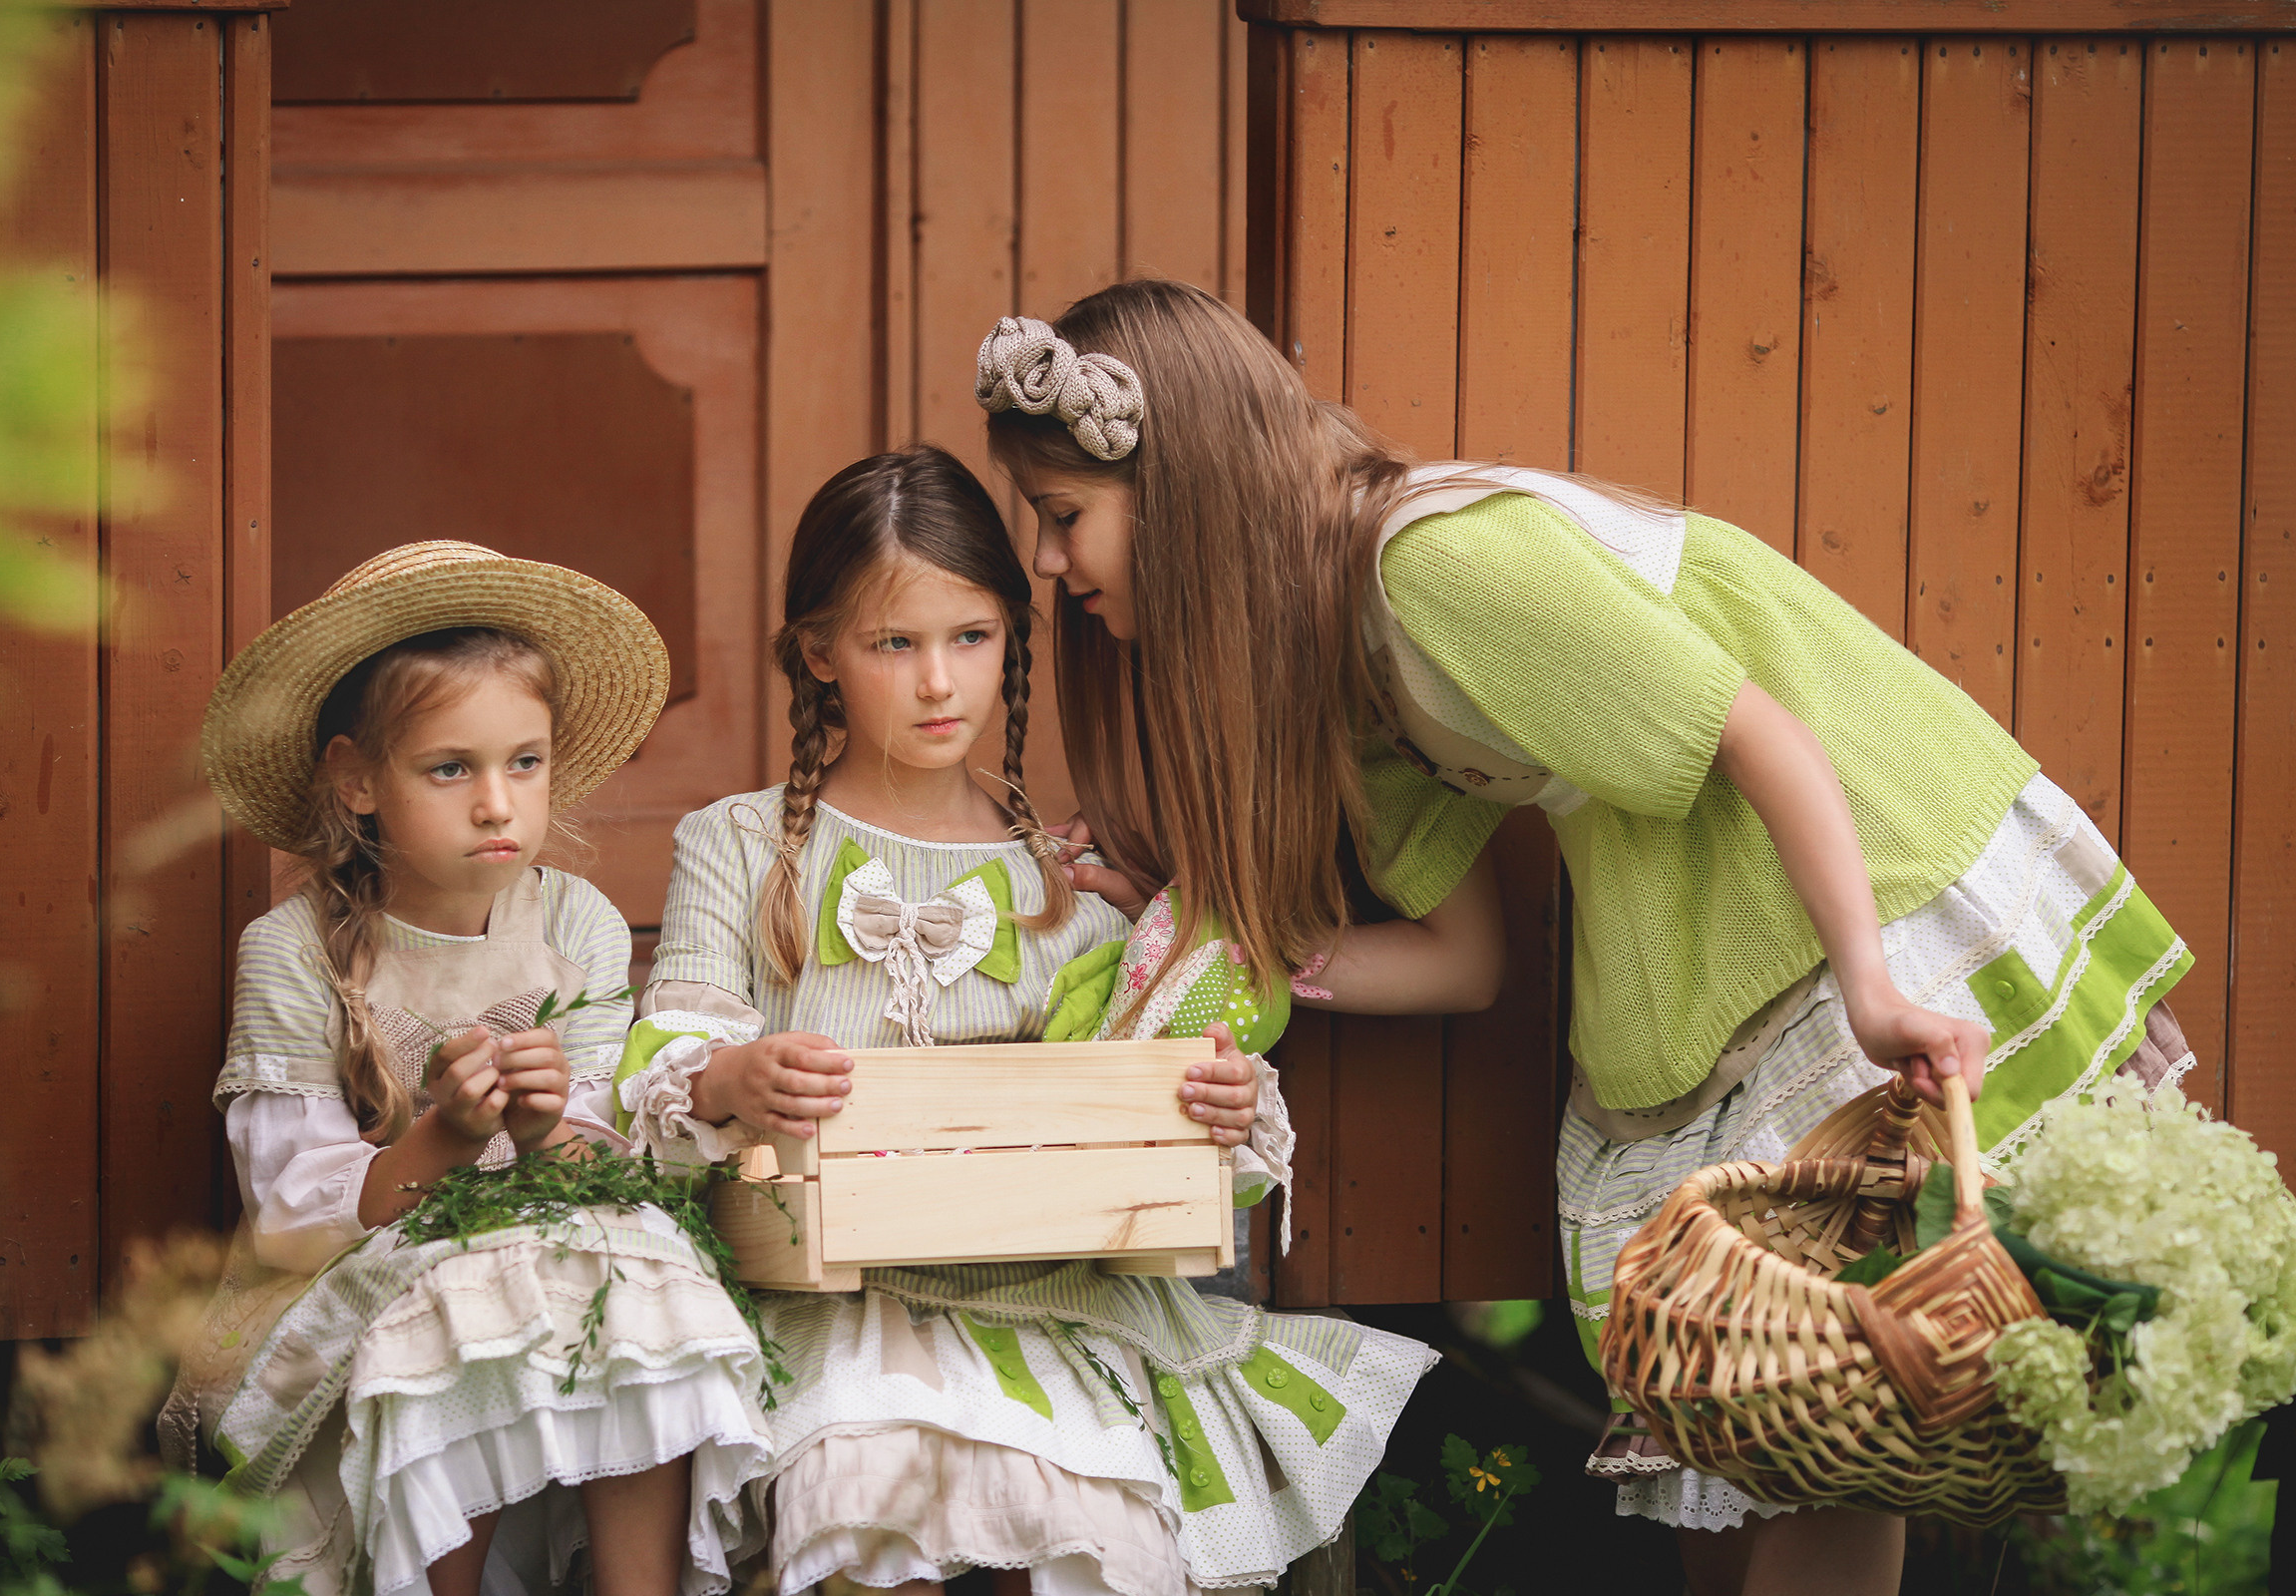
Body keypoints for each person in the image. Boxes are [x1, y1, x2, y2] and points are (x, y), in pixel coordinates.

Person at [975, 281, 2197, 1596]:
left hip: (1839, 870)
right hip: (1692, 926)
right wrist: (1215, 927)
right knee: (1808, 1416)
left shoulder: (1434, 564)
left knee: (1831, 1426)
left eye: (1063, 519)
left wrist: (1873, 988)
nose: (1049, 566)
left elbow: (1764, 735)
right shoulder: (1348, 661)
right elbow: (1463, 960)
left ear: (1189, 497)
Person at [618, 444, 1438, 1596]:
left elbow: (1156, 1120)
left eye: (971, 637)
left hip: (1058, 1300)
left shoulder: (1070, 880)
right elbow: (662, 1059)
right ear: (819, 653)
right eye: (892, 644)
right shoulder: (745, 847)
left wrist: (1225, 1104)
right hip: (840, 1297)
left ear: (1014, 634)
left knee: (1089, 1535)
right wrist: (732, 1078)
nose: (939, 681)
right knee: (866, 1494)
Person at [172, 543, 774, 1596]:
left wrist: (549, 1129)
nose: (498, 803)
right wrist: (444, 1135)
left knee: (635, 1277)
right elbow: (285, 1212)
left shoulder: (575, 923)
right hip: (358, 1275)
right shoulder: (295, 948)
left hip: (556, 1244)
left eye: (524, 763)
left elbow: (614, 1159)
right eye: (451, 769)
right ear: (357, 780)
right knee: (471, 1298)